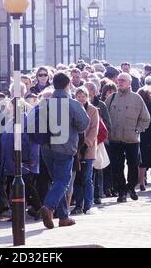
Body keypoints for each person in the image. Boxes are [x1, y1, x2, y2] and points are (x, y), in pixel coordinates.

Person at [35, 72, 90, 229]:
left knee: (56, 182)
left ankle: (64, 217)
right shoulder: (72, 104)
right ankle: (49, 207)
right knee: (63, 181)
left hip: (46, 146)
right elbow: (84, 124)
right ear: (68, 85)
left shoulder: (45, 103)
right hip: (64, 146)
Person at [107, 72, 151, 203]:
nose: (120, 82)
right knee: (117, 166)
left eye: (123, 80)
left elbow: (145, 118)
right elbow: (104, 116)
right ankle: (121, 191)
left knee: (133, 165)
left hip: (132, 139)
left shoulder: (137, 98)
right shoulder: (111, 98)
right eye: (119, 80)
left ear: (129, 83)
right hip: (115, 138)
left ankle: (131, 187)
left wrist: (138, 129)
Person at [71, 87, 99, 215]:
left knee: (87, 178)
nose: (81, 99)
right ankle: (78, 204)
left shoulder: (93, 110)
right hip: (75, 148)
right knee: (77, 178)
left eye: (83, 96)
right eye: (78, 96)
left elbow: (94, 128)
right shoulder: (72, 109)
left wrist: (86, 143)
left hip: (88, 148)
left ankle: (88, 204)